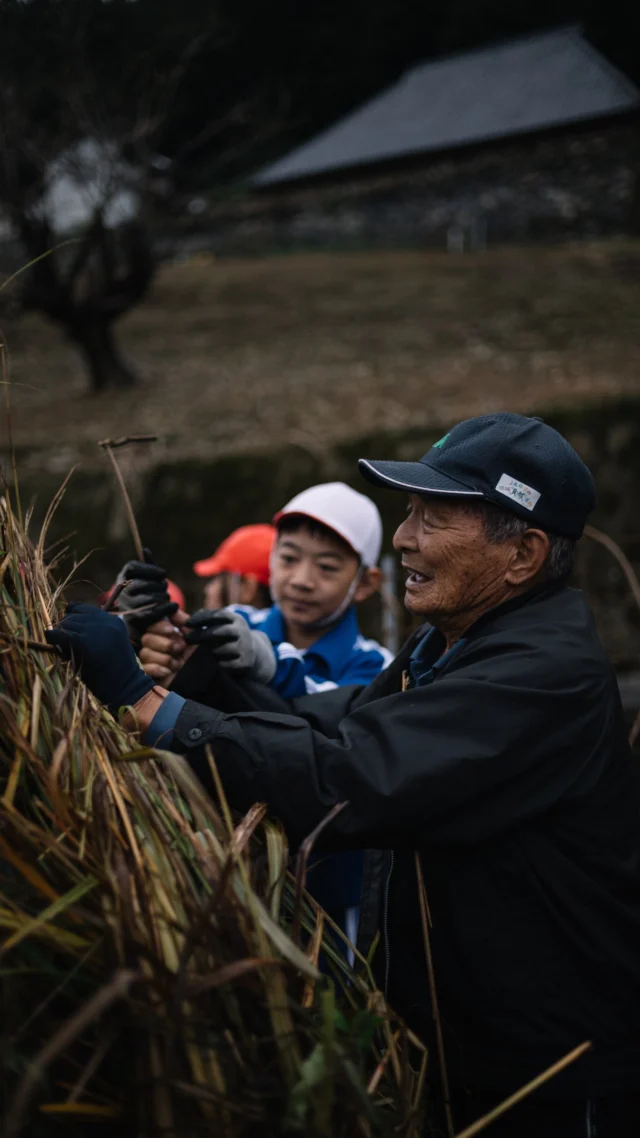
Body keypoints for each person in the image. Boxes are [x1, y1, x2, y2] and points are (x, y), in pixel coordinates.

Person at [47, 413, 640, 1137]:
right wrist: (161, 672)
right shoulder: (456, 641)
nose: (403, 539)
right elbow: (331, 722)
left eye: (434, 519)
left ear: (522, 554)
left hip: (545, 1071)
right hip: (467, 1045)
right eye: (410, 512)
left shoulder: (539, 676)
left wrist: (143, 704)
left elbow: (350, 775)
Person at [122, 483, 392, 951]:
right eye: (288, 558)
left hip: (327, 893)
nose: (302, 579)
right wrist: (149, 641)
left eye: (327, 567)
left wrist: (267, 665)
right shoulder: (232, 623)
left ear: (365, 582)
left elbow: (331, 723)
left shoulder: (378, 667)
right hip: (219, 868)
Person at [116, 524, 275, 678]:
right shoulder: (286, 643)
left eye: (218, 578)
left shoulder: (248, 635)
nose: (208, 589)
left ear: (248, 588)